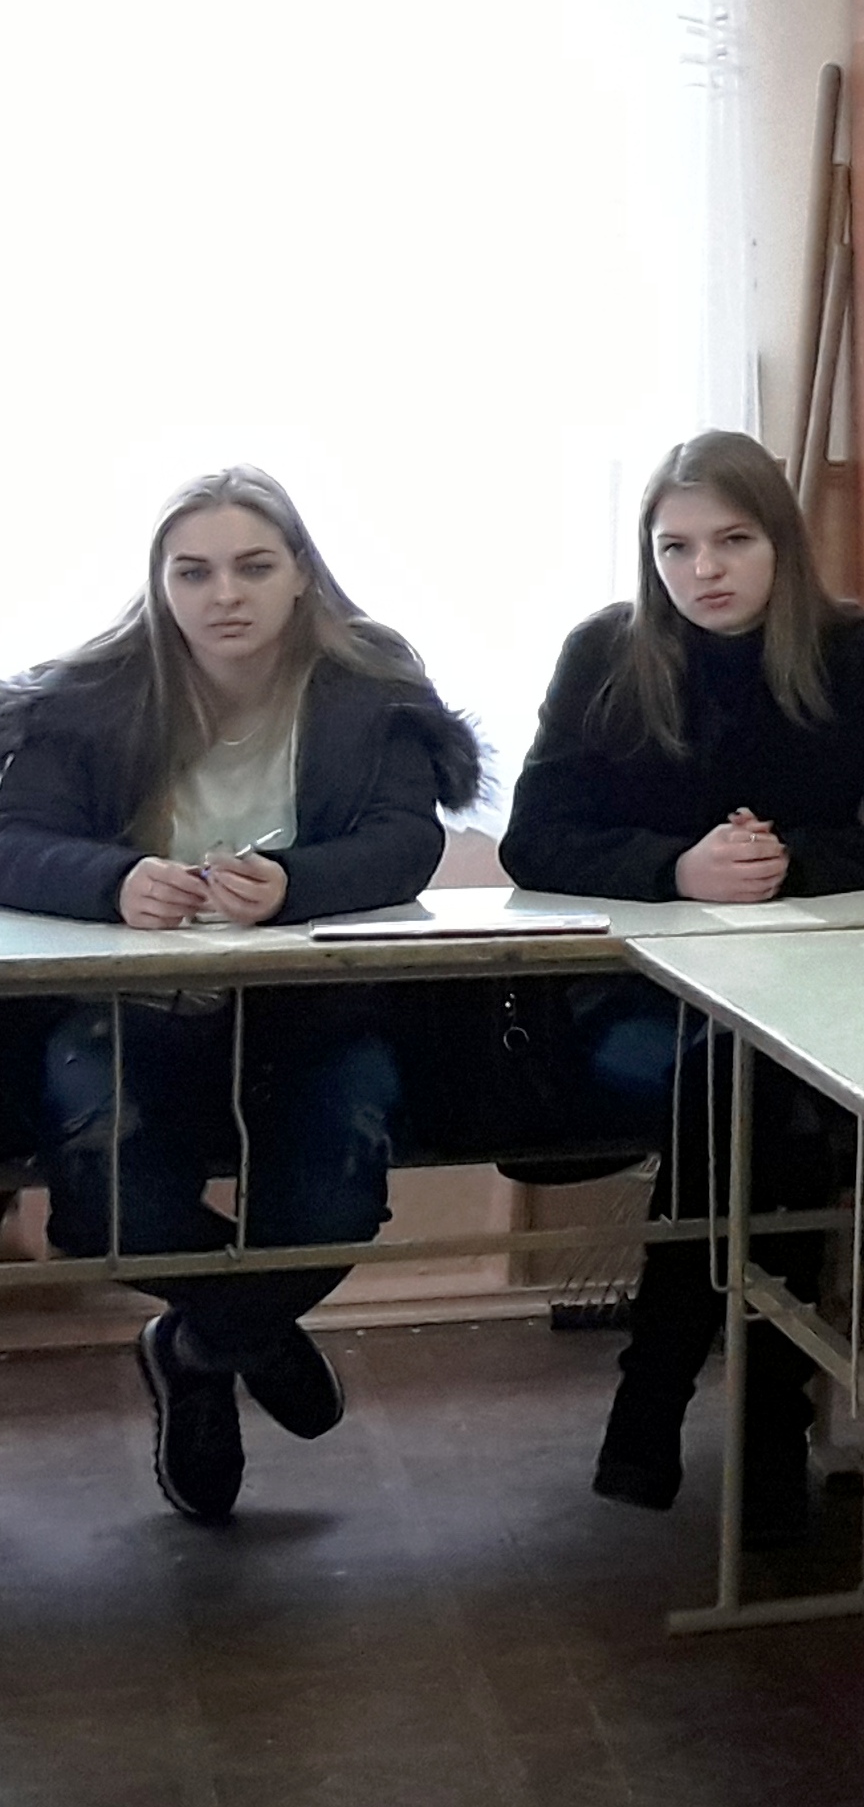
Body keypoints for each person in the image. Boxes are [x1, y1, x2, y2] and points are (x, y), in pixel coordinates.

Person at [501, 429, 864, 1534]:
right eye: (676, 547)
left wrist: (784, 861)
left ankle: (658, 1391)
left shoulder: (854, 651)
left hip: (810, 992)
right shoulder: (605, 653)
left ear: (780, 544)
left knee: (757, 1084)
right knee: (753, 1096)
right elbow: (535, 839)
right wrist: (677, 868)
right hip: (640, 998)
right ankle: (761, 1421)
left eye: (732, 541)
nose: (703, 570)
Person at [0, 469, 482, 1523]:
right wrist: (114, 881)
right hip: (127, 1007)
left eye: (254, 567)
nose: (225, 594)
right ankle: (248, 1333)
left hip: (311, 1009)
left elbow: (407, 842)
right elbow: (12, 841)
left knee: (333, 1200)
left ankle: (195, 1347)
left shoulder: (369, 686)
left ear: (301, 574)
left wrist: (293, 884)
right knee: (113, 1198)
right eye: (194, 572)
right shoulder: (89, 696)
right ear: (159, 584)